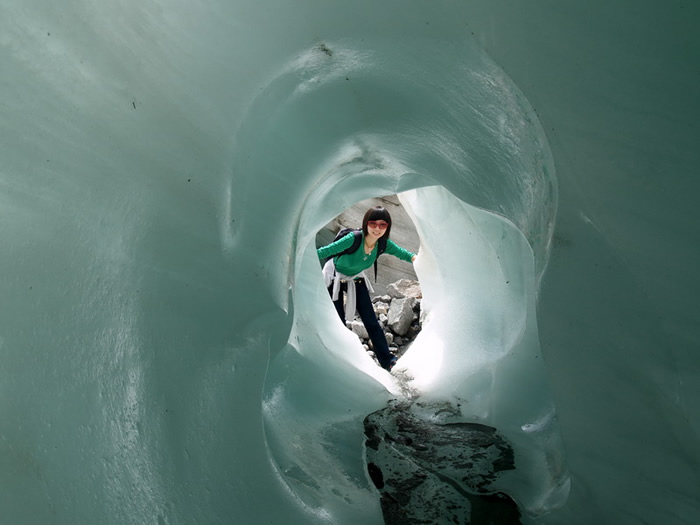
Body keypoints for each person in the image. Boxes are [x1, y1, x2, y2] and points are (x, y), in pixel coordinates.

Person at [317, 206, 417, 371]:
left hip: (356, 278)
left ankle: (387, 360)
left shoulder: (383, 244)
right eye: (373, 223)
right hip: (334, 277)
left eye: (383, 225)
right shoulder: (353, 238)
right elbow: (325, 251)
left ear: (387, 227)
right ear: (365, 224)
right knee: (338, 322)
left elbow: (404, 254)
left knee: (371, 321)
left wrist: (419, 260)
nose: (377, 229)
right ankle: (338, 359)